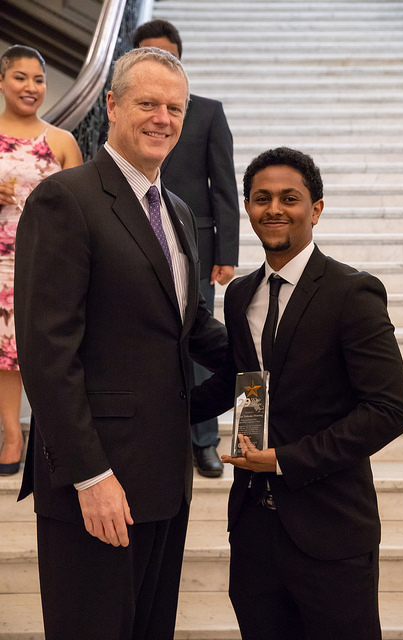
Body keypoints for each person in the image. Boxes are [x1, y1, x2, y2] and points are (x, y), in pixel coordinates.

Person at [14, 47, 227, 640]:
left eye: (175, 108)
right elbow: (47, 352)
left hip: (164, 478)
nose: (163, 118)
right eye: (148, 103)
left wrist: (269, 349)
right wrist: (89, 475)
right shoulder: (66, 200)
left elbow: (186, 324)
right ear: (110, 105)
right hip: (97, 482)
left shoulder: (178, 211)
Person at [191, 147, 403, 640]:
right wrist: (159, 411)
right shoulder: (240, 294)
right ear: (247, 207)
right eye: (261, 198)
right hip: (253, 531)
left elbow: (389, 410)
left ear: (316, 209)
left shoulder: (352, 292)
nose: (274, 209)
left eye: (290, 198)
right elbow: (243, 383)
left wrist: (286, 459)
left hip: (330, 528)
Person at [133, 19, 240, 478]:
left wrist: (227, 251)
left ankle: (205, 440)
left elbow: (225, 186)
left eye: (167, 55)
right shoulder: (130, 113)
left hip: (195, 244)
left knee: (198, 341)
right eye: (147, 54)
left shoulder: (208, 112)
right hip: (135, 240)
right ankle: (157, 432)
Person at [0, 45, 82, 476]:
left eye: (38, 79)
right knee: (5, 353)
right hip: (0, 262)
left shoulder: (62, 141)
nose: (30, 87)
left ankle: (54, 437)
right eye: (20, 77)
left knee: (46, 349)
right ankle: (12, 435)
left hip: (49, 262)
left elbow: (84, 208)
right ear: (1, 81)